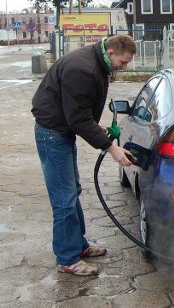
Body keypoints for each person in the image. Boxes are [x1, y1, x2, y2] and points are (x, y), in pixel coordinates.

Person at [32, 34, 137, 276]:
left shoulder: (95, 62)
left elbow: (76, 111)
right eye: (123, 62)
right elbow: (77, 117)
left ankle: (78, 246)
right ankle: (67, 258)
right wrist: (111, 148)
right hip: (52, 135)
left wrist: (93, 126)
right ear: (111, 53)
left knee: (72, 191)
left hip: (61, 130)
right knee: (64, 199)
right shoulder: (83, 68)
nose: (125, 67)